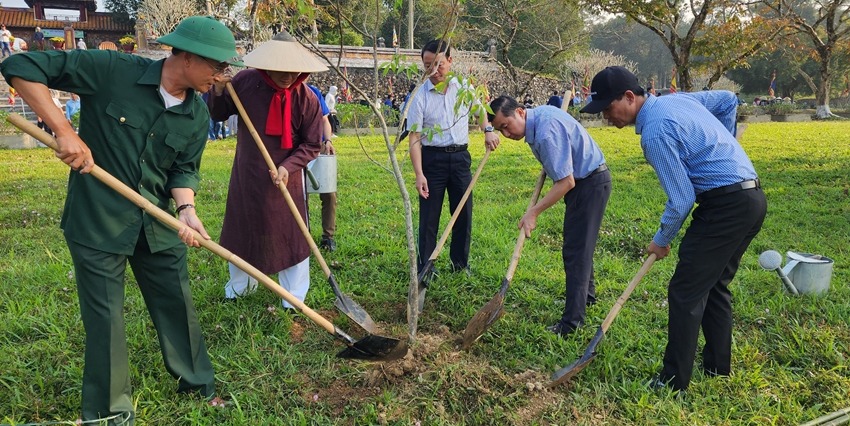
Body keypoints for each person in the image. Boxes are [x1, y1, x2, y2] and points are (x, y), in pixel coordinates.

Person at [0, 15, 241, 423]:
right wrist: (63, 129)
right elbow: (19, 67)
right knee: (106, 319)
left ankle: (199, 383)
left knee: (177, 303)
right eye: (217, 66)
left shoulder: (197, 117)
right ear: (186, 56)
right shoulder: (110, 70)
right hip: (98, 219)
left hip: (156, 221)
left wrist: (187, 210)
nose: (223, 76)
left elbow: (182, 170)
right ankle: (109, 412)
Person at [581, 66, 766, 392]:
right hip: (751, 199)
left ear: (628, 97)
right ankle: (717, 369)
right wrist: (725, 146)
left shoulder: (654, 132)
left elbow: (681, 200)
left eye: (608, 108)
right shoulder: (677, 101)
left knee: (685, 292)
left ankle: (672, 381)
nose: (606, 117)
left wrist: (660, 241)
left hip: (725, 207)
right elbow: (726, 100)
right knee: (715, 285)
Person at [207, 31, 325, 306]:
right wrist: (220, 90)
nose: (288, 76)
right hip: (248, 172)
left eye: (293, 70)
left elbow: (312, 144)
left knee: (291, 234)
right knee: (243, 228)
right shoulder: (245, 82)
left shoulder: (307, 99)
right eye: (281, 70)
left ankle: (293, 299)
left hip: (287, 178)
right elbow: (218, 112)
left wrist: (288, 166)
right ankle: (238, 290)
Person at [488, 96, 611, 337]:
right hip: (587, 182)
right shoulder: (540, 118)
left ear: (521, 112)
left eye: (506, 125)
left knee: (576, 251)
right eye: (500, 129)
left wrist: (533, 212)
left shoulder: (545, 132)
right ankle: (586, 298)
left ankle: (572, 323)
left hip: (589, 184)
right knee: (579, 246)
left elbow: (565, 182)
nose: (506, 134)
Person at [406, 38, 500, 278]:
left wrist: (487, 131)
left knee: (463, 214)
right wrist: (419, 174)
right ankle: (426, 268)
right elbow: (414, 137)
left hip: (460, 160)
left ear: (450, 60)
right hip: (432, 161)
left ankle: (460, 265)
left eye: (439, 64)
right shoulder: (420, 96)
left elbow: (480, 112)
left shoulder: (463, 87)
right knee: (429, 218)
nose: (434, 71)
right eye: (428, 65)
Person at [307, 81, 339, 251]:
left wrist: (327, 140)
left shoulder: (313, 92)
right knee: (299, 194)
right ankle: (303, 234)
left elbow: (324, 119)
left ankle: (328, 236)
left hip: (317, 147)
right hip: (294, 149)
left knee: (329, 193)